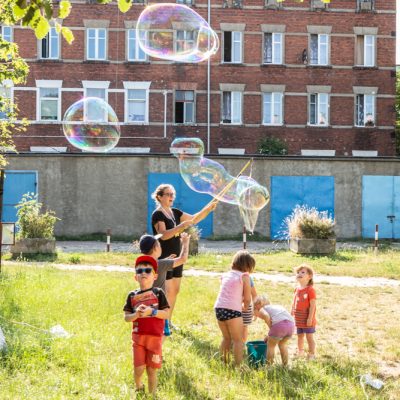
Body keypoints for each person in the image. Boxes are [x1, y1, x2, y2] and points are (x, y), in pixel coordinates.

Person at [151, 183, 217, 327]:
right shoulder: (158, 214)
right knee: (166, 291)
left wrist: (208, 209)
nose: (171, 197)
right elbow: (164, 235)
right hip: (165, 258)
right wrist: (180, 227)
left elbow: (193, 219)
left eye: (172, 194)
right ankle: (161, 322)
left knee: (175, 290)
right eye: (168, 194)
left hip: (177, 257)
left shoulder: (175, 212)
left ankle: (168, 320)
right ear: (159, 197)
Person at [123, 255, 170, 396]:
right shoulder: (132, 296)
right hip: (138, 339)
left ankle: (153, 394)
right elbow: (126, 318)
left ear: (155, 276)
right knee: (139, 368)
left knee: (152, 370)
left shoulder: (158, 293)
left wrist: (152, 311)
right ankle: (138, 386)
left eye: (148, 270)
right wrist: (136, 314)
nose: (143, 273)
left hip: (155, 339)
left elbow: (166, 314)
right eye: (140, 271)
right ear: (135, 277)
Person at [138, 232, 190, 336]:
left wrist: (166, 261)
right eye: (159, 244)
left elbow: (157, 265)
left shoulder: (141, 264)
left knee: (147, 334)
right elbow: (183, 259)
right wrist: (185, 243)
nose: (160, 245)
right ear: (156, 248)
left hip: (144, 303)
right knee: (162, 335)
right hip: (159, 307)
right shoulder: (161, 265)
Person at [214, 250, 254, 366]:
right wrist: (245, 307)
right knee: (238, 340)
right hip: (233, 310)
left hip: (219, 308)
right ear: (247, 265)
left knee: (226, 338)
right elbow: (247, 298)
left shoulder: (225, 275)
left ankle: (224, 363)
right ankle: (238, 365)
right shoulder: (245, 276)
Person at [253, 295, 295, 366]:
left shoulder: (263, 309)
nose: (255, 311)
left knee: (271, 345)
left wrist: (271, 329)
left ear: (259, 304)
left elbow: (266, 316)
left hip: (279, 326)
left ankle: (269, 367)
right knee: (282, 344)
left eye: (255, 308)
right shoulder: (276, 307)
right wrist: (271, 333)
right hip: (291, 325)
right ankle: (285, 365)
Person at [291, 264, 317, 360]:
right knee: (299, 336)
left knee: (309, 337)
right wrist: (291, 312)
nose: (299, 274)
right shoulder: (297, 289)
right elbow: (294, 301)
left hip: (307, 319)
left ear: (309, 277)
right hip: (298, 318)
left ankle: (311, 354)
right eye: (298, 272)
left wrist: (310, 318)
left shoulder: (310, 290)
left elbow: (313, 305)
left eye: (302, 272)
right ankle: (300, 351)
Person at [242, 275, 258, 343]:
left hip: (245, 306)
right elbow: (254, 295)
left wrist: (255, 309)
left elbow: (254, 295)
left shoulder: (247, 278)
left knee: (244, 327)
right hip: (236, 306)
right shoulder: (247, 277)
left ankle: (242, 344)